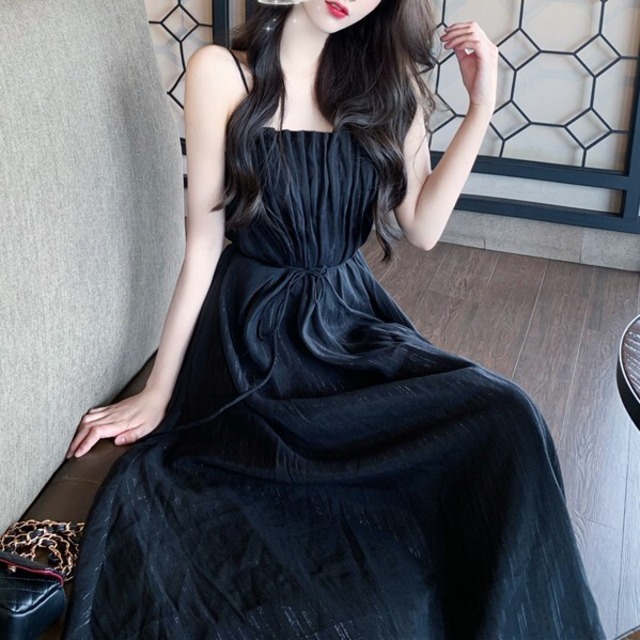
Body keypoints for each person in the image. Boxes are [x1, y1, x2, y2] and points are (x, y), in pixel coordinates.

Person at [63, 0, 606, 637]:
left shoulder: (391, 83)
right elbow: (203, 248)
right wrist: (159, 392)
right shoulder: (222, 74)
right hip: (253, 341)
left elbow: (424, 227)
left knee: (508, 416)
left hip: (350, 324)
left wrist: (481, 107)